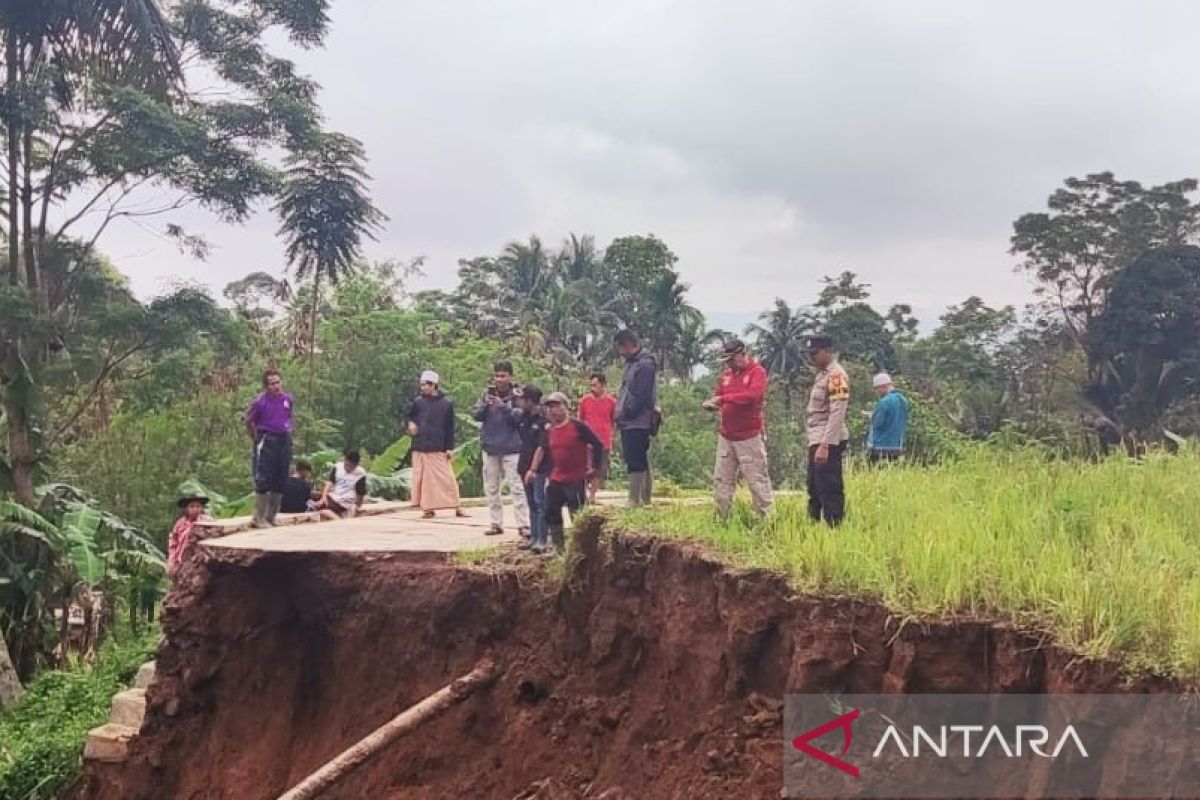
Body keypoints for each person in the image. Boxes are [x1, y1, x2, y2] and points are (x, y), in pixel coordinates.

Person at [703, 339, 774, 518]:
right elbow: (720, 394)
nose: (729, 364)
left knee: (756, 480)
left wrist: (724, 399)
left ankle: (765, 519)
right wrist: (714, 402)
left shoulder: (757, 373)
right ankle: (721, 517)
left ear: (743, 355)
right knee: (722, 480)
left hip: (749, 436)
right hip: (727, 435)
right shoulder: (727, 375)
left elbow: (751, 396)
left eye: (731, 359)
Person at [528, 392, 604, 554]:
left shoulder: (578, 426)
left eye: (557, 406)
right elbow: (542, 449)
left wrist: (594, 468)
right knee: (551, 511)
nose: (553, 411)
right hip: (557, 477)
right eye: (550, 408)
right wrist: (533, 470)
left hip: (575, 479)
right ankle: (559, 548)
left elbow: (597, 444)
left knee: (577, 513)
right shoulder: (550, 430)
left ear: (566, 407)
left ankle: (581, 549)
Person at [472, 360, 530, 536]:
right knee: (491, 488)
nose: (499, 379)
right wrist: (485, 405)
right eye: (497, 376)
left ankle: (523, 524)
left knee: (517, 487)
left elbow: (519, 417)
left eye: (503, 376)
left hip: (512, 448)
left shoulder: (518, 396)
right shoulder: (486, 394)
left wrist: (503, 407)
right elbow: (476, 415)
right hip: (490, 447)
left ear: (510, 376)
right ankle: (495, 523)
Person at [406, 370, 467, 519]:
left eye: (425, 385)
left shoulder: (446, 404)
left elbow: (449, 427)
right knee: (424, 481)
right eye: (421, 385)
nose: (422, 388)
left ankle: (457, 506)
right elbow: (408, 417)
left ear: (434, 385)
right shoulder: (418, 402)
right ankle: (427, 509)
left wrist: (449, 447)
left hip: (438, 446)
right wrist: (410, 424)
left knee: (447, 478)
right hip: (420, 445)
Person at [804, 335, 850, 526]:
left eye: (815, 353)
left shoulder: (836, 375)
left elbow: (837, 412)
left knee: (829, 486)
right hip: (816, 436)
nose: (811, 358)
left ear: (827, 351)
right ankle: (813, 526)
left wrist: (826, 445)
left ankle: (834, 526)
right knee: (814, 486)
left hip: (828, 438)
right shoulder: (822, 374)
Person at [245, 368, 294, 528]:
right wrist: (256, 437)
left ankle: (271, 516)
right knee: (264, 478)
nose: (276, 386)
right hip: (267, 439)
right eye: (272, 384)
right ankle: (258, 517)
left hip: (284, 438)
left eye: (278, 382)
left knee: (280, 477)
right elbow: (249, 420)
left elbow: (288, 416)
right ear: (266, 386)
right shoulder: (260, 402)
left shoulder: (287, 399)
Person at [614, 330, 658, 507]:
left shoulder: (645, 365)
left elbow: (640, 395)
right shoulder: (633, 364)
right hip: (629, 420)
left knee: (636, 458)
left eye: (620, 348)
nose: (620, 352)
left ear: (628, 345)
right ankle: (642, 499)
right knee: (638, 457)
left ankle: (635, 499)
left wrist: (627, 412)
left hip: (637, 420)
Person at [517, 385, 551, 551]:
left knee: (540, 502)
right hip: (524, 466)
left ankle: (543, 539)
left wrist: (533, 469)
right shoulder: (524, 417)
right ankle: (534, 537)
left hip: (539, 468)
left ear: (530, 401)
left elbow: (541, 447)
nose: (520, 402)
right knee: (531, 502)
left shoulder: (543, 420)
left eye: (522, 399)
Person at [579, 372, 616, 504]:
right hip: (587, 441)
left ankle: (592, 495)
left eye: (595, 385)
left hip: (604, 441)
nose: (592, 388)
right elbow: (580, 420)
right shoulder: (585, 401)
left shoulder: (612, 402)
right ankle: (583, 493)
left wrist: (612, 437)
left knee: (599, 469)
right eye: (591, 385)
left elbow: (614, 421)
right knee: (586, 468)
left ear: (602, 385)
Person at [168, 491, 212, 577]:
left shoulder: (208, 522)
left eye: (198, 506)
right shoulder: (180, 523)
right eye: (192, 506)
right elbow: (173, 543)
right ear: (186, 509)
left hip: (201, 561)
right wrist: (171, 561)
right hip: (181, 562)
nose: (195, 509)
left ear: (202, 508)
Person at [867, 373, 909, 463]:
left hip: (880, 445)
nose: (876, 392)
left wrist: (871, 416)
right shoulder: (903, 400)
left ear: (883, 386)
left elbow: (877, 423)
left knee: (875, 473)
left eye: (876, 388)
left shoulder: (884, 402)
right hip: (897, 445)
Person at [317, 450, 367, 520]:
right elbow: (329, 483)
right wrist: (323, 497)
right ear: (345, 460)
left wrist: (357, 506)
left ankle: (338, 519)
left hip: (344, 501)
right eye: (347, 465)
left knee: (321, 510)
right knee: (315, 500)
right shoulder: (337, 467)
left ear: (357, 465)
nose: (349, 468)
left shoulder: (360, 474)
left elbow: (360, 493)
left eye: (352, 467)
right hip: (333, 496)